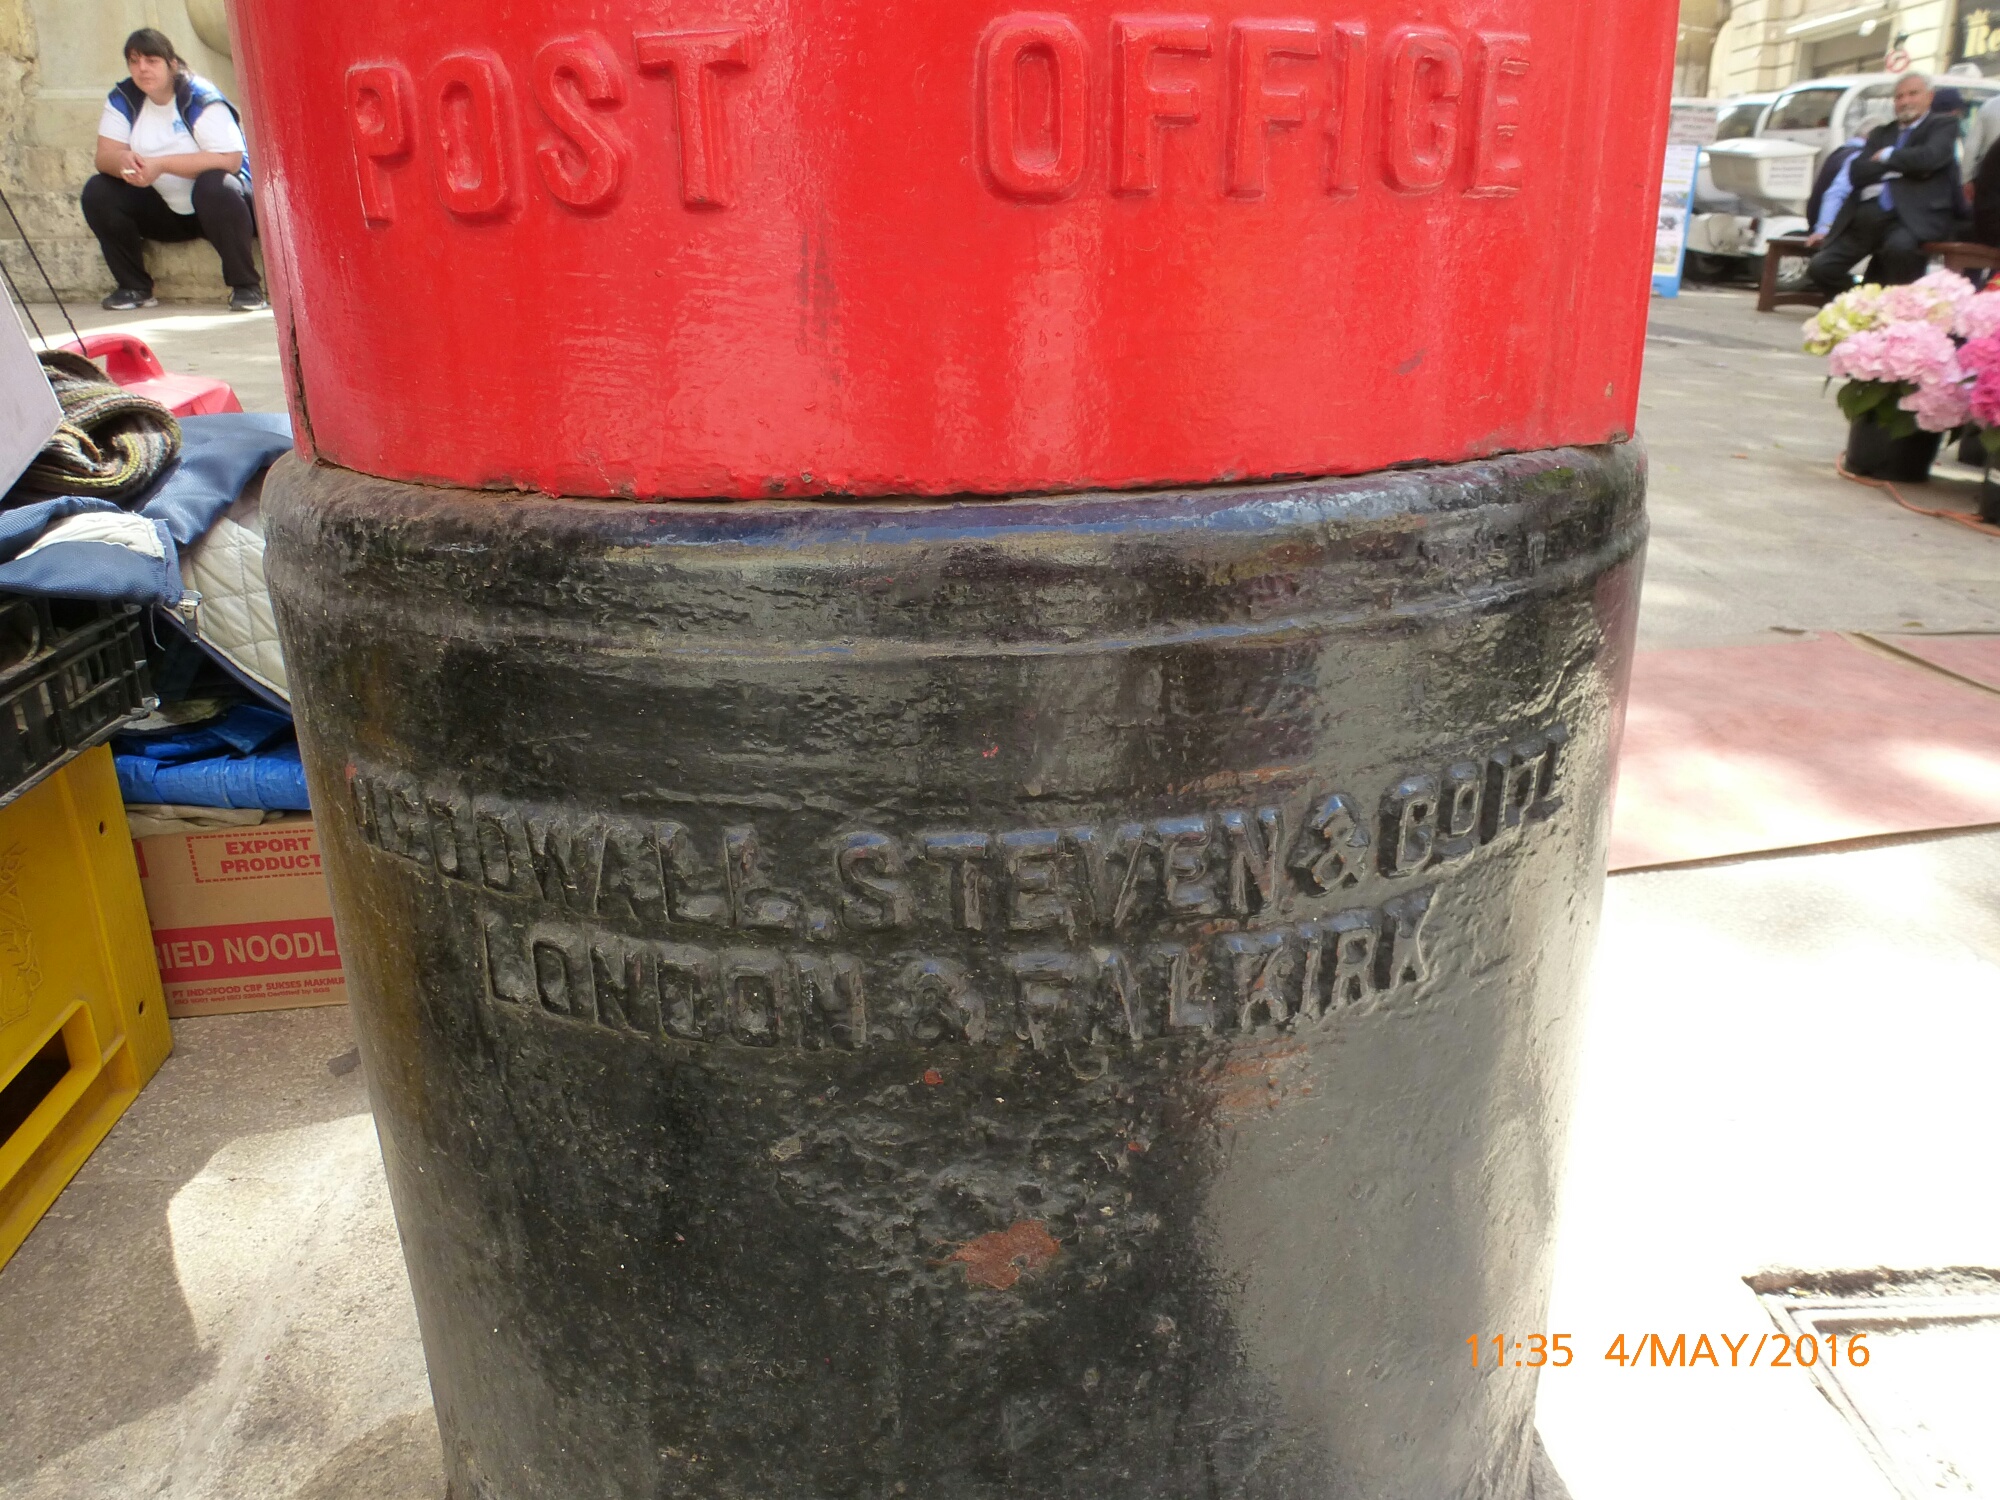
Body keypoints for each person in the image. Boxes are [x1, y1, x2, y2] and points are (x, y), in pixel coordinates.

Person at [81, 29, 265, 313]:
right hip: (166, 211)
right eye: (134, 61)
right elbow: (104, 157)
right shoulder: (124, 98)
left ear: (172, 64)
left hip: (225, 209)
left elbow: (230, 159)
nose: (142, 69)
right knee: (98, 190)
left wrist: (161, 165)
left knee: (216, 185)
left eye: (151, 60)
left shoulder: (199, 96)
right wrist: (125, 161)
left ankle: (246, 287)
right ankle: (134, 287)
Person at [1807, 73, 1965, 295]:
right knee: (1821, 268)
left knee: (1899, 250)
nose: (1905, 101)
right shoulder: (1881, 133)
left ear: (1929, 97)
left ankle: (1898, 311)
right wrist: (1906, 167)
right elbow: (1858, 172)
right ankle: (1861, 305)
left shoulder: (1942, 126)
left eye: (1912, 94)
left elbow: (1929, 158)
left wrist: (1888, 157)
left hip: (1912, 218)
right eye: (1899, 97)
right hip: (1868, 217)